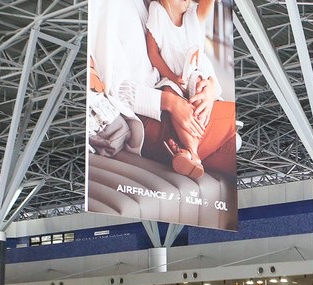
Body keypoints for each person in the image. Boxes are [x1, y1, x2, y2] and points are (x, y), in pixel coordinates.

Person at [89, 0, 236, 177]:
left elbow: (189, 52)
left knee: (235, 149)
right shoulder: (111, 7)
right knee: (237, 120)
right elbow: (117, 88)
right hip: (152, 119)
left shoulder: (156, 8)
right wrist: (171, 103)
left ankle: (190, 155)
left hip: (175, 101)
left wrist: (210, 87)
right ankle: (190, 151)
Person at [145, 0, 216, 177]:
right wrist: (172, 77)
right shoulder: (157, 11)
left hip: (193, 74)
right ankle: (193, 154)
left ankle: (191, 152)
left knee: (199, 89)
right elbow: (153, 53)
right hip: (171, 78)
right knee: (170, 93)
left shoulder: (193, 15)